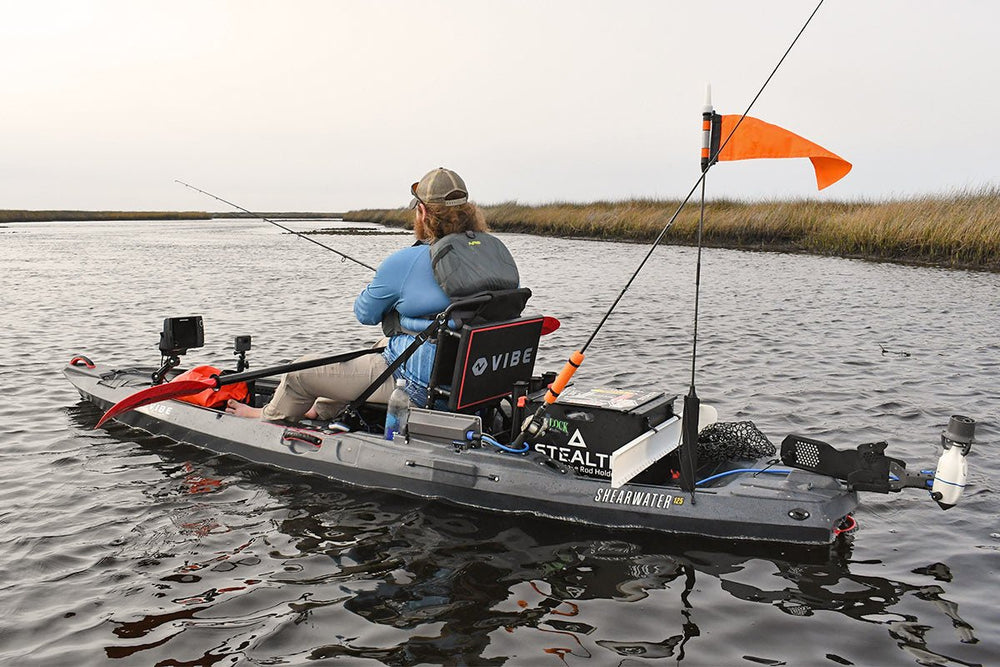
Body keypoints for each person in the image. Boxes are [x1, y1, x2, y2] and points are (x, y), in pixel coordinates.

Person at [227, 167, 519, 422]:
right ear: (468, 211)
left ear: (423, 212)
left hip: (419, 383)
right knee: (382, 343)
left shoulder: (405, 261)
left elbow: (364, 313)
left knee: (298, 373)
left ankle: (266, 417)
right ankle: (323, 409)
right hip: (475, 380)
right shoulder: (494, 255)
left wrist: (387, 286)